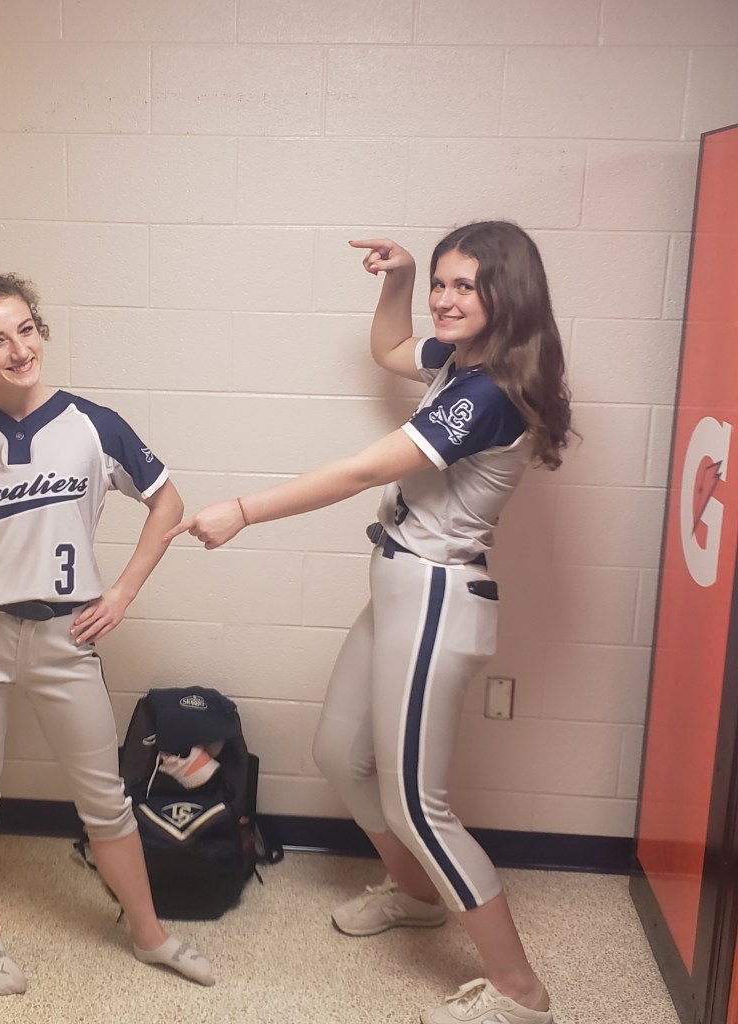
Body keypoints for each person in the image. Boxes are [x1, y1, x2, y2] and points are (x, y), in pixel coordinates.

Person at [165, 222, 572, 1024]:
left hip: (436, 596)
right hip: (398, 582)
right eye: (441, 284)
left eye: (464, 286)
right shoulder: (464, 359)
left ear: (508, 295)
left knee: (418, 804)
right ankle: (418, 898)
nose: (445, 300)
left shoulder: (491, 393)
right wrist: (401, 278)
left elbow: (359, 470)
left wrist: (244, 510)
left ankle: (521, 994)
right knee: (338, 754)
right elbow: (389, 349)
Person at [0, 270, 214, 995]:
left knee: (105, 799)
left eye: (26, 329)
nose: (20, 349)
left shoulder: (93, 425)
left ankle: (149, 935)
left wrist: (122, 590)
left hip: (64, 639)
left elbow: (168, 502)